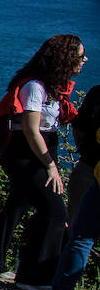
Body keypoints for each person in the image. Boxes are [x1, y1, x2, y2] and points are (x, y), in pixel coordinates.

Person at [0, 34, 85, 290]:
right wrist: (50, 165)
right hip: (27, 153)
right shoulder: (35, 86)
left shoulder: (52, 86)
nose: (84, 60)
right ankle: (34, 277)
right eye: (80, 55)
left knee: (18, 203)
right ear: (65, 57)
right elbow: (31, 129)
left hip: (37, 150)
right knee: (55, 212)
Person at [65, 84, 100, 225]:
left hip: (88, 165)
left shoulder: (97, 93)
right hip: (89, 167)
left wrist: (85, 153)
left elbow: (79, 129)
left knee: (76, 226)